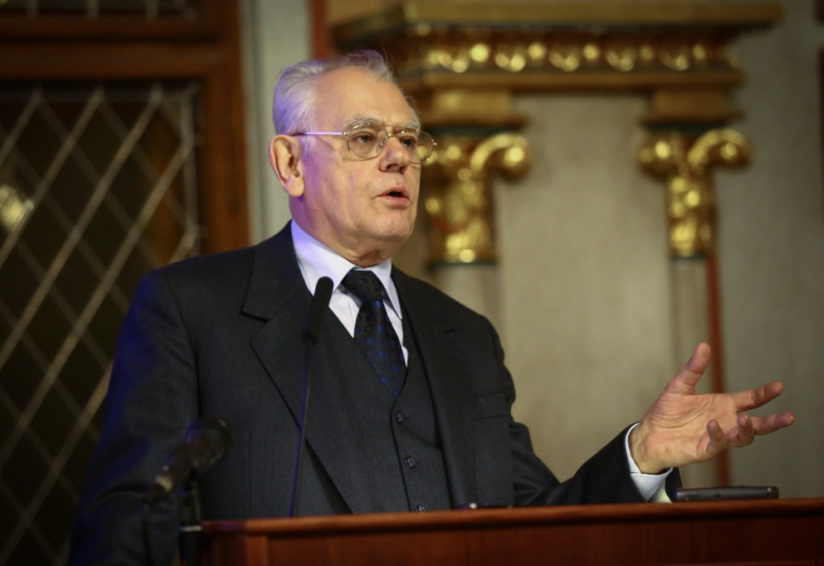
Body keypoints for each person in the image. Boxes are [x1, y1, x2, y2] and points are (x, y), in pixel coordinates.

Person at [69, 50, 795, 564]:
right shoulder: (193, 309)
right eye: (364, 139)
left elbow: (532, 527)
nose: (398, 159)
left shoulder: (463, 335)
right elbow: (125, 529)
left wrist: (642, 456)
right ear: (290, 163)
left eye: (409, 140)